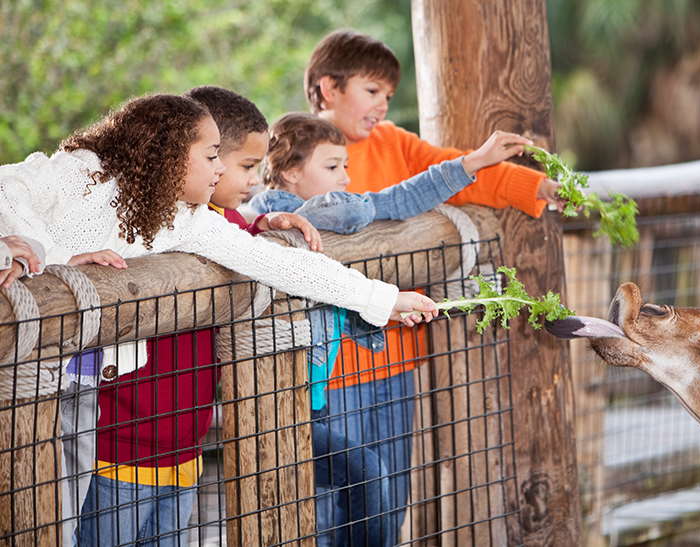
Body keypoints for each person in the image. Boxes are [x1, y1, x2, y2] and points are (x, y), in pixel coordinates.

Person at [0, 93, 437, 547]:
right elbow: (7, 187)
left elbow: (279, 264)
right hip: (43, 398)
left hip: (92, 403)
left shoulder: (186, 218)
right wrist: (52, 258)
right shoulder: (83, 171)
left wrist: (383, 298)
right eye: (211, 156)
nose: (220, 170)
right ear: (169, 153)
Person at [302, 28, 567, 539]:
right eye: (372, 91)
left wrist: (536, 185)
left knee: (389, 499)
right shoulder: (298, 149)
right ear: (329, 88)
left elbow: (463, 172)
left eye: (388, 96)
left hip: (397, 359)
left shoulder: (395, 144)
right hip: (328, 371)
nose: (382, 105)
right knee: (332, 506)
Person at [248, 111, 533, 544]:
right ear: (288, 172)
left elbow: (390, 201)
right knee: (333, 502)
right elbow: (376, 206)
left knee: (362, 489)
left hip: (314, 391)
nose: (346, 178)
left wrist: (473, 163)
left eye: (345, 166)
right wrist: (466, 165)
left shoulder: (304, 213)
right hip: (282, 397)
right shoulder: (292, 217)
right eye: (332, 168)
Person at [185, 86, 400, 546]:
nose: (249, 178)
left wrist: (259, 224)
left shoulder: (241, 221)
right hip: (260, 405)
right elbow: (299, 235)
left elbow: (243, 222)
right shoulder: (239, 216)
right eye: (244, 166)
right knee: (364, 474)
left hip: (304, 403)